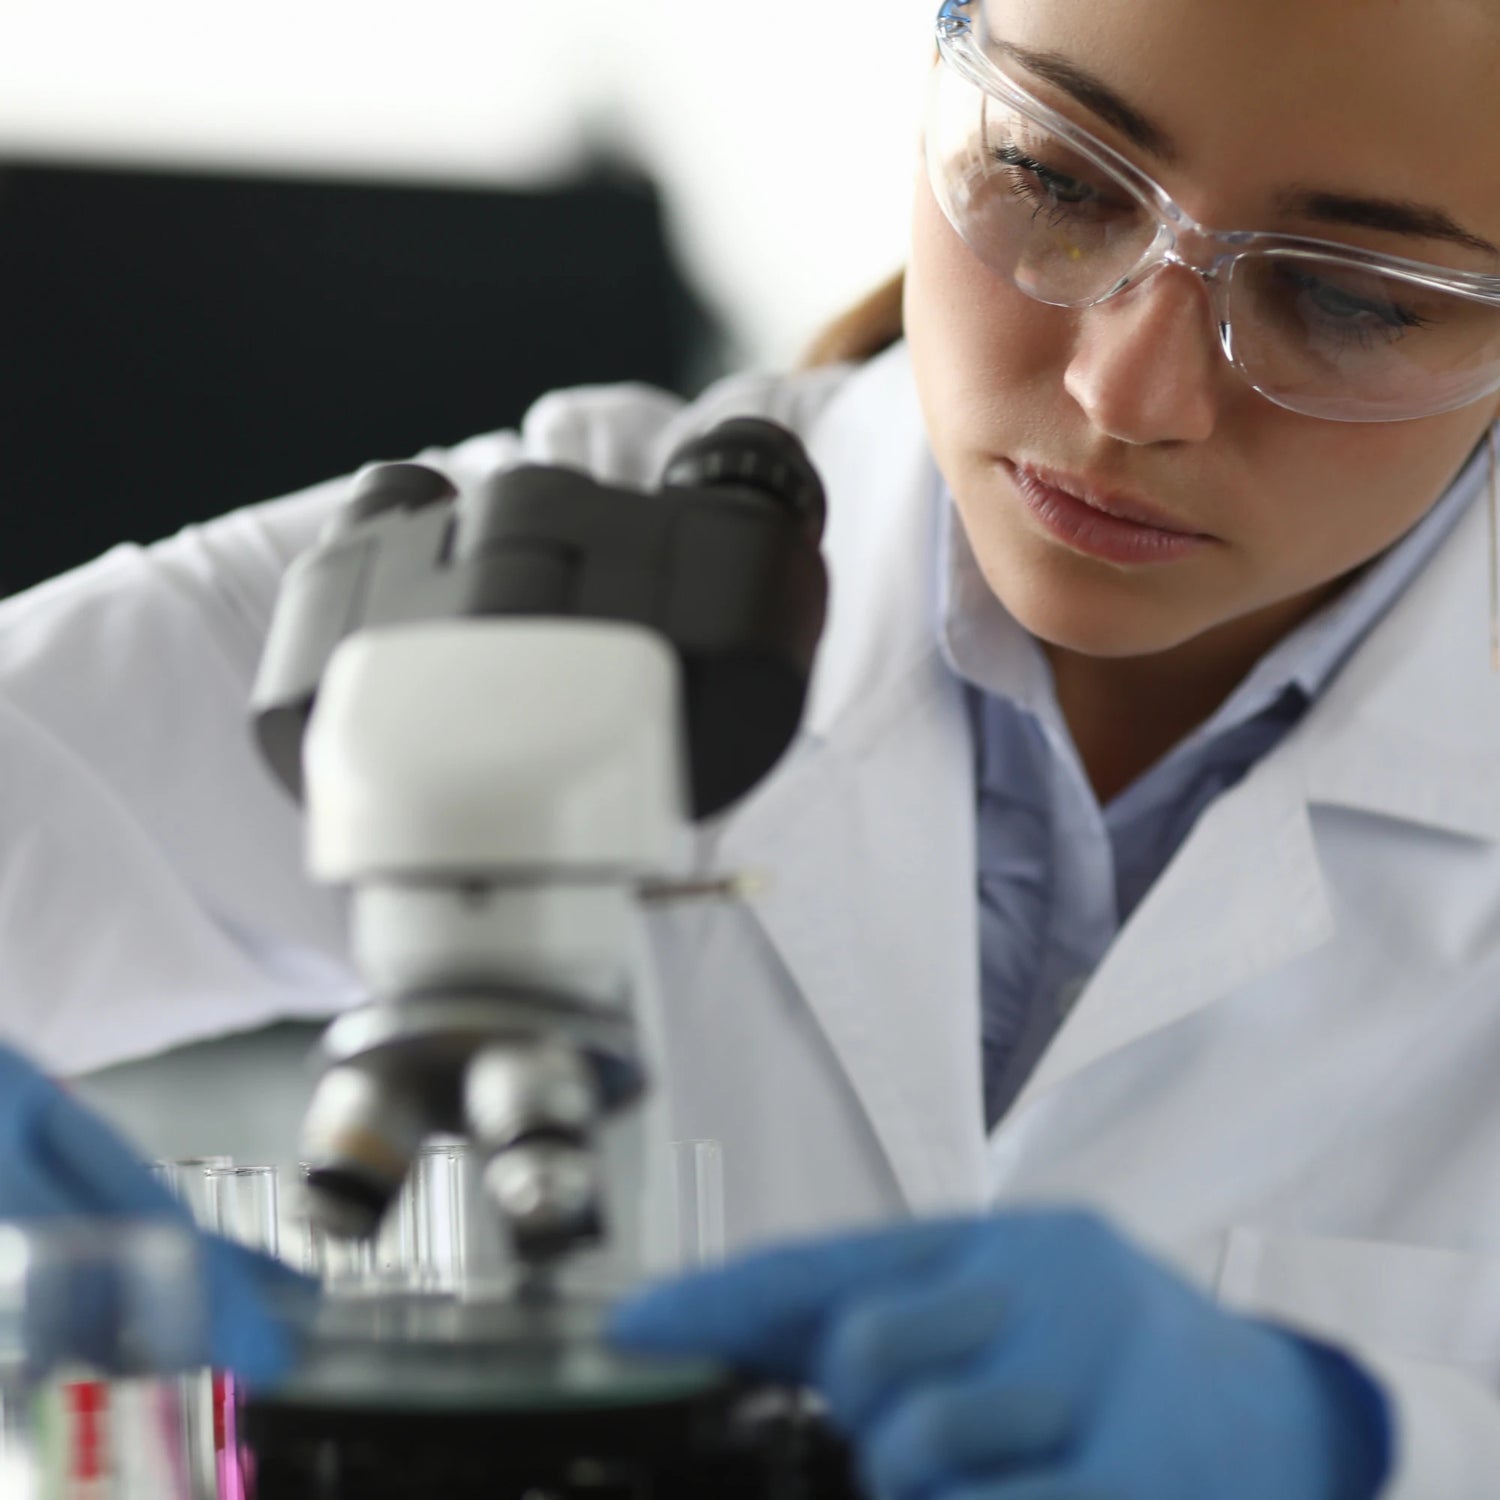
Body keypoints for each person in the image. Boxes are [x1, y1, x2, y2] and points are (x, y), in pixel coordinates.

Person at [2, 0, 1500, 1492]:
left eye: (1353, 298)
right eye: (1056, 178)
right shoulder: (530, 570)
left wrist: (1359, 1446)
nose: (1129, 392)